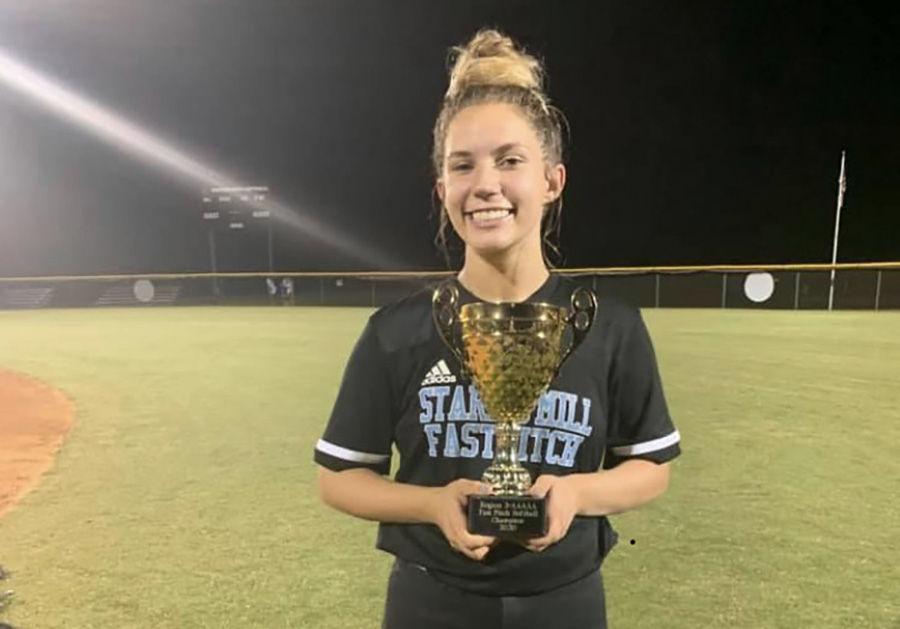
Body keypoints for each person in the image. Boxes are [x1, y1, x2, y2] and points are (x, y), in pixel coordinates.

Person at [314, 29, 681, 629]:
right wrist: (433, 504)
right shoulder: (397, 330)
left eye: (510, 160)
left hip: (566, 601)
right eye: (463, 166)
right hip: (430, 602)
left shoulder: (608, 326)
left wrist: (576, 494)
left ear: (552, 181)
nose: (485, 184)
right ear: (443, 190)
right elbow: (339, 480)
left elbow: (650, 468)